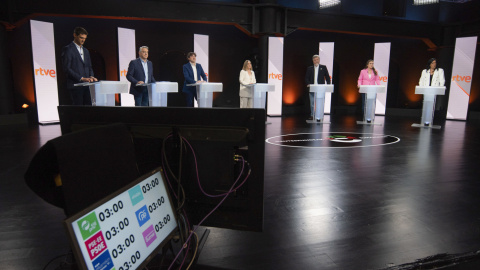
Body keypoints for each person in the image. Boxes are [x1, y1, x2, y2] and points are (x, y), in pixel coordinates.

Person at [61, 27, 97, 105]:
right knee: (78, 111)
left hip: (88, 86)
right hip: (76, 86)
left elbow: (89, 66)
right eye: (81, 38)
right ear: (75, 35)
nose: (83, 40)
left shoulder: (86, 51)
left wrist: (91, 76)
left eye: (85, 38)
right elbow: (67, 68)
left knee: (89, 110)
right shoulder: (68, 49)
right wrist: (81, 78)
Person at [305, 55, 330, 120]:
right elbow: (306, 78)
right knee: (312, 103)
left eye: (317, 60)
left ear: (319, 60)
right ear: (313, 61)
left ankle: (319, 116)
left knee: (320, 102)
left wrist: (328, 84)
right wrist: (308, 84)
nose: (316, 61)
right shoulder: (310, 68)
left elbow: (327, 76)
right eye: (314, 60)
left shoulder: (323, 67)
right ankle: (312, 115)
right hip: (312, 88)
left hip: (320, 88)